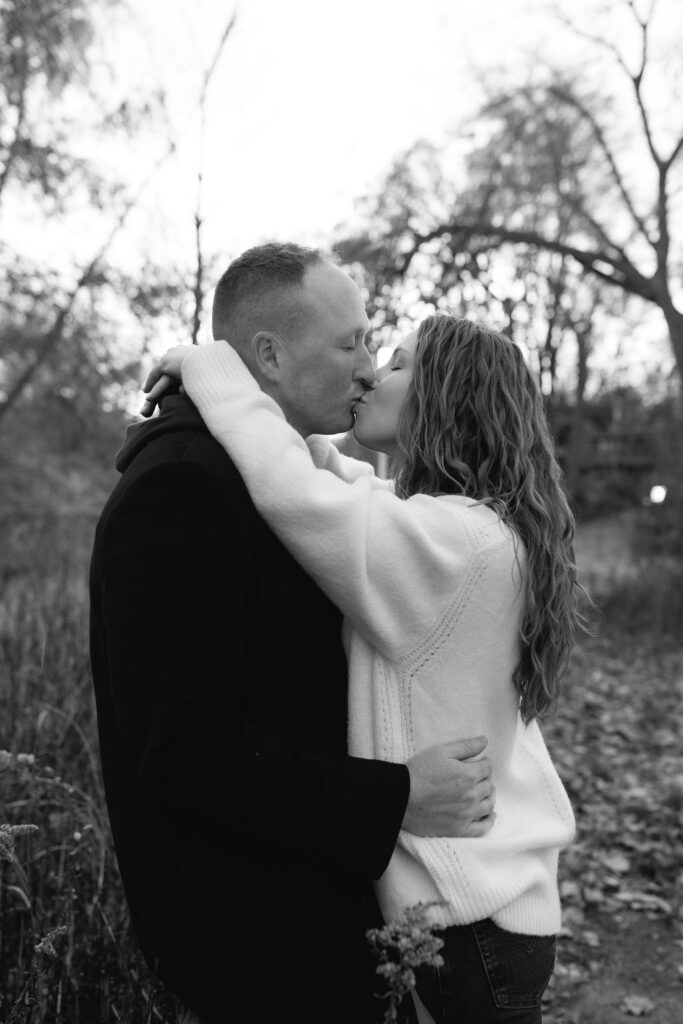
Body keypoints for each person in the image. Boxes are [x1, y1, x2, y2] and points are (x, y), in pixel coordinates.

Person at [89, 242, 497, 1024]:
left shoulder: (263, 475)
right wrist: (398, 796)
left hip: (307, 901)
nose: (369, 368)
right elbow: (180, 746)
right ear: (269, 356)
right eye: (351, 343)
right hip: (253, 930)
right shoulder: (181, 486)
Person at [143, 310, 581, 1024]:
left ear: (447, 401)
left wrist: (212, 367)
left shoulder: (458, 544)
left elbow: (302, 498)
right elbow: (348, 490)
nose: (375, 371)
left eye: (401, 364)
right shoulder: (469, 528)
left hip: (470, 929)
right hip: (484, 916)